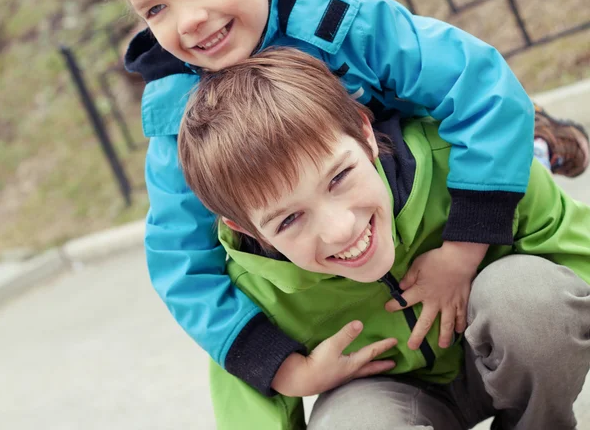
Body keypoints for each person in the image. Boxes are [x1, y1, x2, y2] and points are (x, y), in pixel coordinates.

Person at [95, 0, 590, 397]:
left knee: (502, 150)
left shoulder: (339, 21)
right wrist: (284, 369)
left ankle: (537, 141)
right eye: (155, 8)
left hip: (419, 179)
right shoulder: (178, 123)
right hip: (351, 261)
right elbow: (180, 259)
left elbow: (475, 83)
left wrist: (463, 249)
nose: (187, 19)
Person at [178, 47, 590, 430]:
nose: (340, 230)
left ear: (365, 132)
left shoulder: (468, 166)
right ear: (248, 231)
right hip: (387, 400)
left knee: (533, 301)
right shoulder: (252, 294)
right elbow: (248, 415)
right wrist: (289, 372)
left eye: (339, 177)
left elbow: (574, 252)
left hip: (500, 358)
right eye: (288, 221)